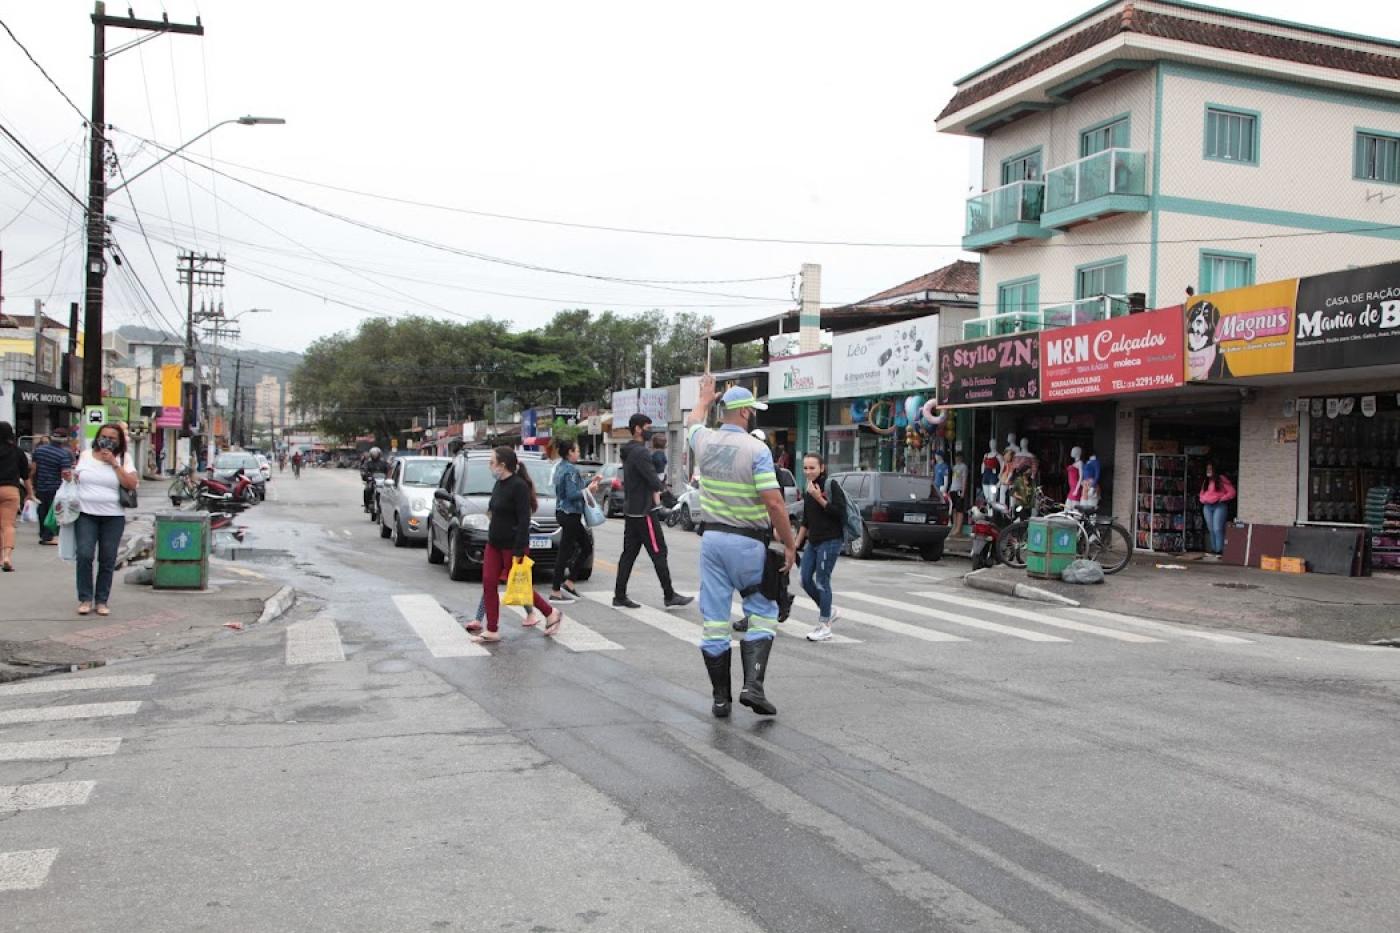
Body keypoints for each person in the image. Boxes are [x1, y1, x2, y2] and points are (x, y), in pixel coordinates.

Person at [687, 377, 797, 717]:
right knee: (763, 612)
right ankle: (753, 686)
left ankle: (721, 698)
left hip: (713, 542)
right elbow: (774, 502)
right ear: (746, 412)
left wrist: (704, 398)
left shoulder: (703, 440)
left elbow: (692, 422)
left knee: (716, 622)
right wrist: (790, 543)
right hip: (749, 544)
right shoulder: (756, 449)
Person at [474, 446, 562, 643]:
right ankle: (492, 629)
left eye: (492, 462)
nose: (490, 466)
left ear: (502, 465)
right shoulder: (499, 485)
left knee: (520, 587)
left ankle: (551, 613)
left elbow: (524, 520)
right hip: (494, 543)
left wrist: (519, 550)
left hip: (513, 546)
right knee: (489, 583)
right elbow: (493, 509)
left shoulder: (519, 486)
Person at [613, 413, 692, 610]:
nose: (650, 431)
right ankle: (669, 595)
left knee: (629, 554)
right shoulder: (641, 453)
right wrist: (667, 495)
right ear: (638, 429)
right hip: (644, 511)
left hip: (632, 510)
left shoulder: (629, 451)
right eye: (647, 427)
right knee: (659, 552)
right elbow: (652, 479)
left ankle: (619, 595)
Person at [70, 422, 138, 615]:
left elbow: (131, 484)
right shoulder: (85, 456)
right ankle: (85, 598)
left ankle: (101, 600)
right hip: (85, 514)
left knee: (107, 558)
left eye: (112, 438)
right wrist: (69, 477)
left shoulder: (124, 458)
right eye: (104, 436)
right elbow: (77, 478)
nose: (107, 441)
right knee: (84, 554)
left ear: (119, 442)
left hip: (113, 516)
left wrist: (115, 464)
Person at [796, 452, 846, 642]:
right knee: (803, 579)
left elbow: (839, 513)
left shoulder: (830, 485)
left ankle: (824, 626)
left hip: (831, 540)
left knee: (822, 582)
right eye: (805, 468)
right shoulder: (807, 487)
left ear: (822, 468)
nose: (808, 471)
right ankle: (829, 610)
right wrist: (796, 543)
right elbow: (806, 520)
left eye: (812, 468)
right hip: (814, 541)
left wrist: (820, 498)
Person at [550, 438, 601, 603]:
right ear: (570, 452)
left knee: (584, 546)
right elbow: (572, 494)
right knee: (566, 552)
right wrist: (589, 490)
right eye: (577, 450)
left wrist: (589, 483)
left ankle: (569, 583)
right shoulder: (570, 469)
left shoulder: (560, 467)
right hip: (569, 514)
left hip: (563, 513)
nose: (578, 453)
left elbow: (572, 488)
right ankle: (556, 591)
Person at [0, 422, 35, 572]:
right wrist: (30, 493)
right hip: (10, 491)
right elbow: (25, 476)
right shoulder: (17, 451)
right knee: (8, 525)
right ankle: (7, 556)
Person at [29, 427, 73, 546]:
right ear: (65, 439)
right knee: (52, 512)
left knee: (42, 510)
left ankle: (43, 534)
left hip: (40, 485)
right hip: (55, 487)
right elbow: (66, 473)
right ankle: (48, 536)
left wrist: (32, 484)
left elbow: (33, 469)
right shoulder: (64, 454)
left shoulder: (39, 450)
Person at [1199, 462, 1236, 559]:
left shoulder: (1221, 479)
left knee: (1217, 528)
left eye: (1210, 469)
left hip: (1219, 505)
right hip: (1207, 506)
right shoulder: (1206, 481)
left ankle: (1220, 550)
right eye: (1207, 469)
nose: (1208, 471)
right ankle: (1214, 549)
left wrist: (1222, 498)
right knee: (1211, 529)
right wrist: (1203, 500)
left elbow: (1232, 492)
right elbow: (1201, 494)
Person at [949, 451, 968, 537]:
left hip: (959, 489)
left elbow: (964, 479)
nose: (957, 459)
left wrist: (963, 491)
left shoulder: (963, 467)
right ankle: (954, 525)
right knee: (954, 509)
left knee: (959, 509)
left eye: (958, 457)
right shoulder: (954, 467)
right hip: (953, 489)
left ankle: (958, 528)